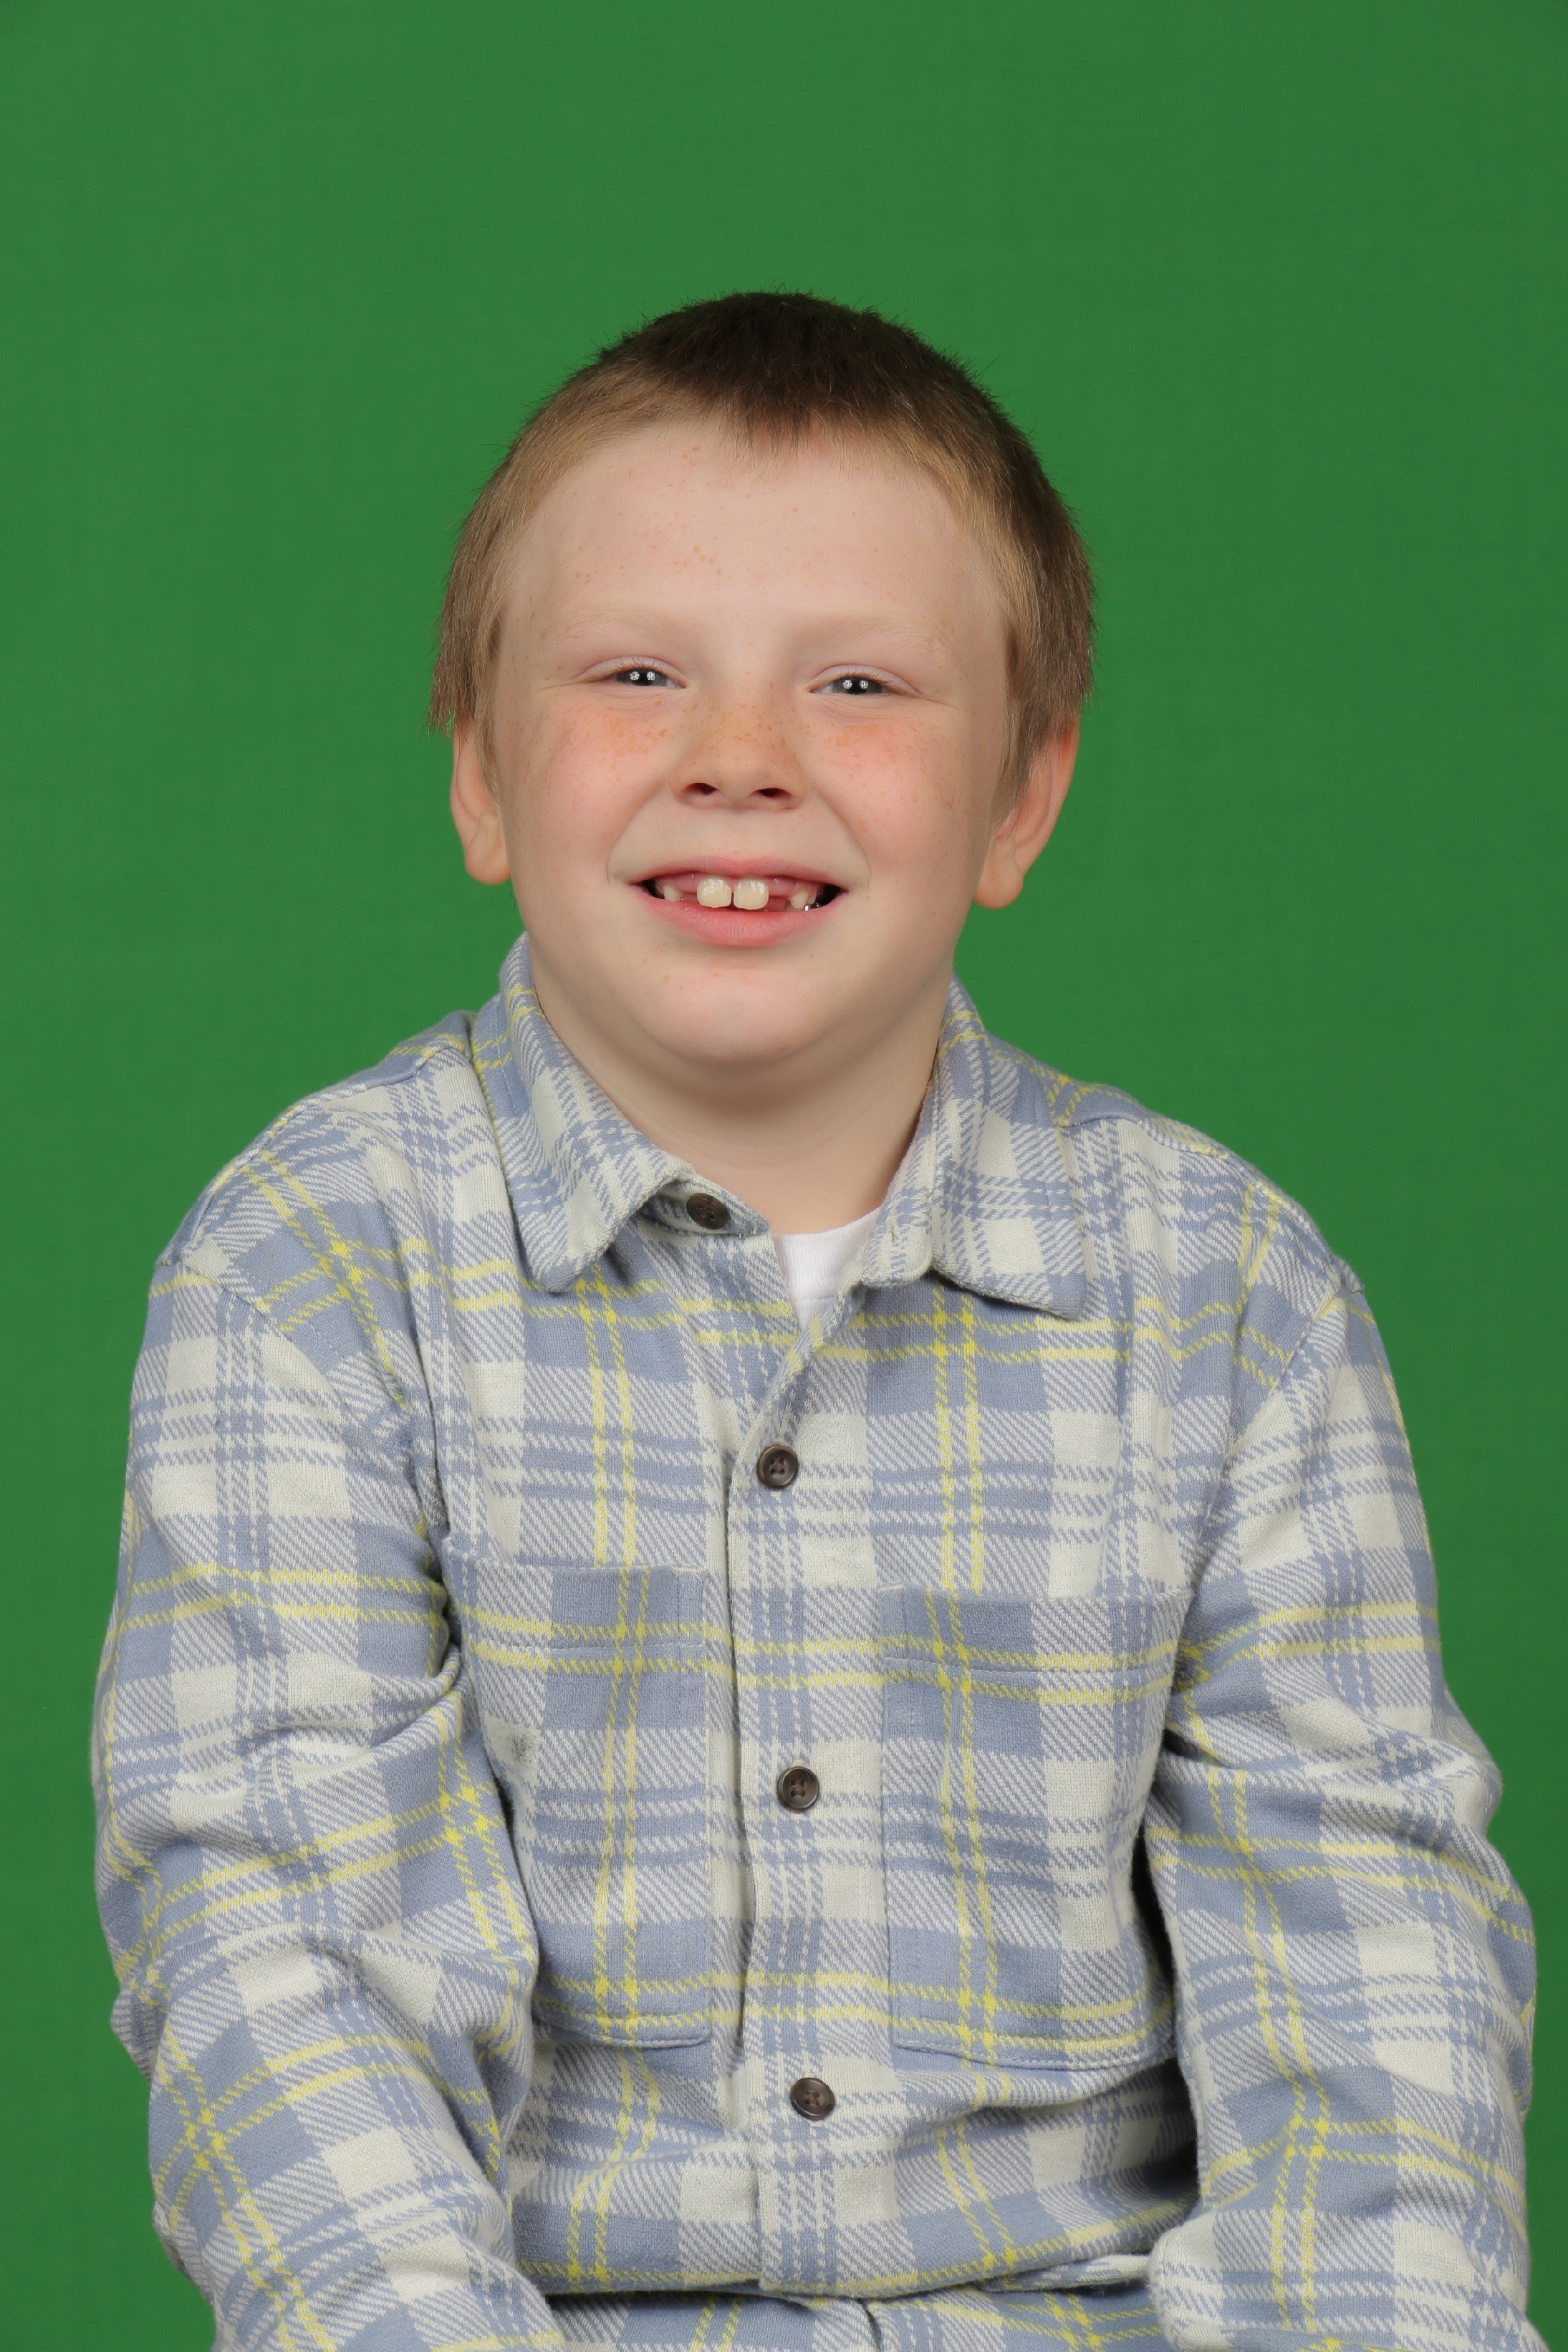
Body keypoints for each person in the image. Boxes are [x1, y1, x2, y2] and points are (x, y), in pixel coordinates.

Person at [92, 292, 1540, 2352]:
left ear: (1020, 799)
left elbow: (1365, 1984)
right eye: (636, 673)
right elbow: (291, 1967)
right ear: (481, 774)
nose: (741, 758)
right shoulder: (313, 1267)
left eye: (857, 682)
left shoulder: (1229, 1293)